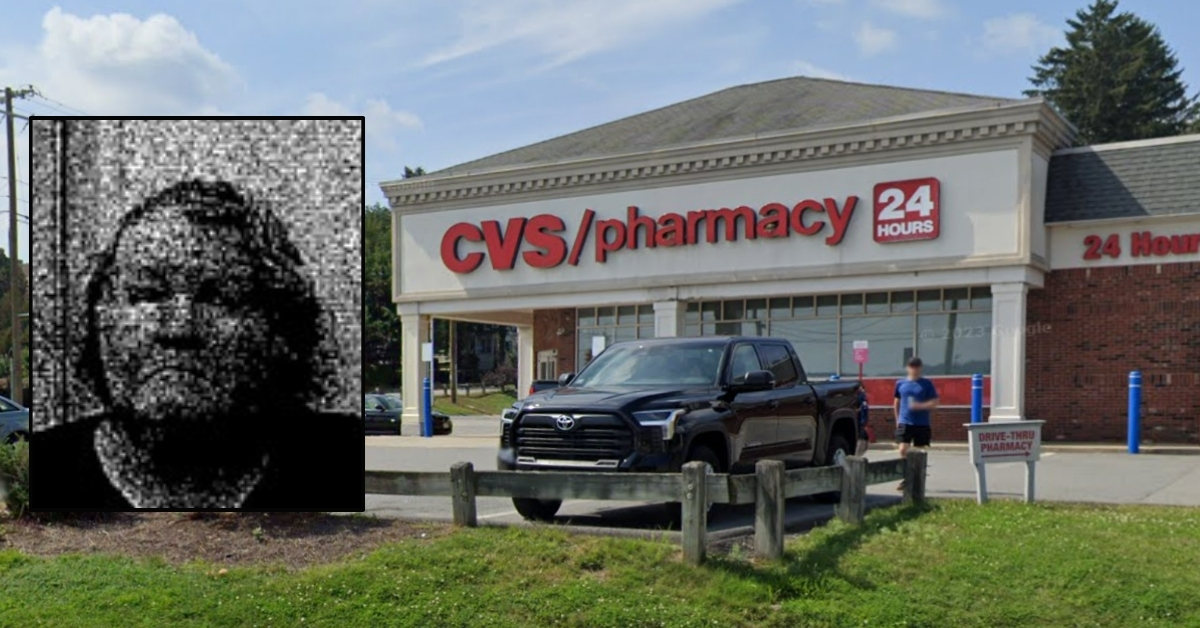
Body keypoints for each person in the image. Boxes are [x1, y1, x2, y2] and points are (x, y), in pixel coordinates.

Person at [33, 179, 361, 510]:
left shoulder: (339, 456)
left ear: (278, 326)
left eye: (221, 298)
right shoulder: (45, 468)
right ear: (98, 316)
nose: (179, 327)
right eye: (147, 293)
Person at [893, 356, 938, 491]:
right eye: (912, 366)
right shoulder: (900, 384)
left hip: (921, 423)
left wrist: (920, 406)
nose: (914, 369)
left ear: (920, 368)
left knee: (919, 452)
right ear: (908, 368)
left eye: (917, 366)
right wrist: (897, 419)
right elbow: (896, 401)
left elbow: (934, 402)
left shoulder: (926, 384)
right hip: (905, 422)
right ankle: (906, 477)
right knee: (903, 449)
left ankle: (917, 479)